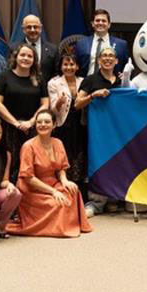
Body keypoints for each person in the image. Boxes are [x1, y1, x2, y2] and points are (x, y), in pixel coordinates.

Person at [5, 109, 92, 237]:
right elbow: (28, 178)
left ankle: (65, 223)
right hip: (32, 188)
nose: (43, 124)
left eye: (47, 121)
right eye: (39, 122)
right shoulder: (28, 146)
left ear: (54, 124)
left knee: (73, 191)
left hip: (52, 182)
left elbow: (61, 168)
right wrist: (53, 192)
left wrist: (64, 181)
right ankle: (57, 227)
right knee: (59, 203)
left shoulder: (58, 143)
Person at [74, 46, 123, 217]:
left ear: (116, 61)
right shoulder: (90, 80)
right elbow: (77, 104)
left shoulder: (121, 80)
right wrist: (93, 95)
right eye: (104, 56)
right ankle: (96, 201)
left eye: (111, 56)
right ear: (99, 60)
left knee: (115, 162)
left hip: (116, 131)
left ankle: (112, 198)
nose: (108, 59)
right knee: (97, 162)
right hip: (95, 131)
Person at [0, 44, 49, 181]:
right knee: (10, 165)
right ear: (16, 57)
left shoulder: (39, 79)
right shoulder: (4, 77)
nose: (26, 58)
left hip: (33, 128)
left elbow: (45, 104)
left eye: (30, 56)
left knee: (32, 165)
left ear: (34, 60)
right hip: (9, 128)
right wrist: (16, 123)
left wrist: (31, 122)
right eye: (22, 55)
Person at [48, 52, 87, 198]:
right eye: (65, 64)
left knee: (80, 156)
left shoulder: (83, 81)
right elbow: (52, 109)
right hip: (63, 125)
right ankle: (64, 189)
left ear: (77, 66)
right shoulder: (54, 82)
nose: (68, 67)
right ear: (60, 66)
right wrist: (59, 101)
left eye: (72, 64)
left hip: (81, 124)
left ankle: (80, 193)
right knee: (65, 156)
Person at [75, 9, 129, 77]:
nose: (100, 23)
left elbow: (127, 67)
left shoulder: (121, 45)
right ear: (92, 24)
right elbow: (76, 67)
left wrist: (125, 75)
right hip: (87, 84)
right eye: (97, 20)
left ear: (109, 25)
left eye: (103, 21)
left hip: (112, 85)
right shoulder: (81, 44)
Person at [18, 15, 58, 85]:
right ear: (23, 29)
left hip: (47, 90)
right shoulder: (14, 48)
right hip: (22, 90)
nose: (32, 30)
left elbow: (57, 73)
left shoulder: (53, 49)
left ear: (40, 28)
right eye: (29, 27)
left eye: (35, 27)